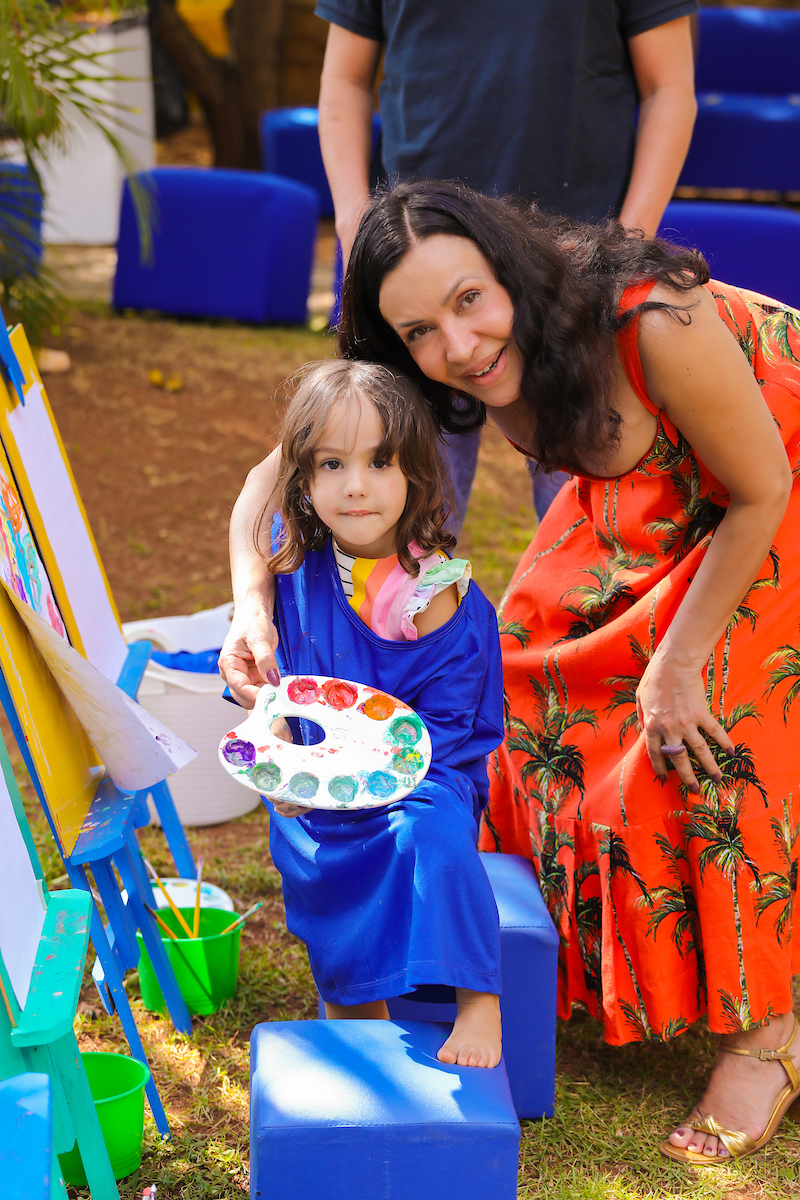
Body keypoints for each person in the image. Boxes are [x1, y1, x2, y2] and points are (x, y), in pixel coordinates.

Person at [219, 178, 800, 1165]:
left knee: (699, 724)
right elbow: (266, 479)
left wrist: (671, 665)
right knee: (519, 677)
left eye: (468, 301)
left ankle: (767, 1037)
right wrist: (250, 599)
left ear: (512, 271)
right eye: (417, 331)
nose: (456, 347)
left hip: (769, 476)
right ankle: (541, 952)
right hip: (645, 485)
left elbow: (758, 489)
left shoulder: (650, 320)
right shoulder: (425, 358)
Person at [316, 0, 698, 526]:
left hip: (572, 266)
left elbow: (670, 89)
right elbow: (344, 82)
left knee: (596, 541)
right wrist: (356, 225)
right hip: (416, 268)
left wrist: (623, 243)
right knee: (403, 533)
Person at [244, 357, 505, 1067]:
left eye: (380, 461)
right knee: (315, 855)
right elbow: (282, 691)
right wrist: (283, 756)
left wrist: (370, 772)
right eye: (332, 463)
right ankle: (356, 998)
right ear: (302, 479)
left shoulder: (430, 590)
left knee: (434, 832)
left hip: (423, 770)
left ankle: (478, 997)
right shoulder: (296, 566)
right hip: (327, 782)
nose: (355, 485)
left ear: (415, 474)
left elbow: (451, 720)